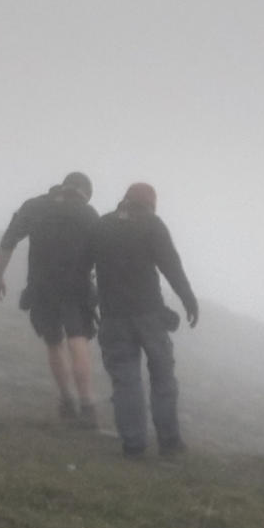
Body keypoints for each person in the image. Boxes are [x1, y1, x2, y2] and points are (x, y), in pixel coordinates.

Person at [83, 182, 199, 458]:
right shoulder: (152, 224)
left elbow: (81, 269)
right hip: (149, 315)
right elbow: (171, 265)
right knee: (162, 376)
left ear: (125, 199)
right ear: (150, 203)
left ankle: (133, 446)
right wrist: (188, 299)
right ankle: (170, 444)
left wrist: (88, 305)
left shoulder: (102, 225)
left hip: (112, 316)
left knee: (126, 381)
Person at [0, 172, 101, 426]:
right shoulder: (87, 214)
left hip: (42, 285)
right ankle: (88, 406)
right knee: (77, 340)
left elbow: (9, 241)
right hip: (77, 287)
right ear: (85, 192)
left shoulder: (35, 206)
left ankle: (67, 402)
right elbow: (103, 254)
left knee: (53, 342)